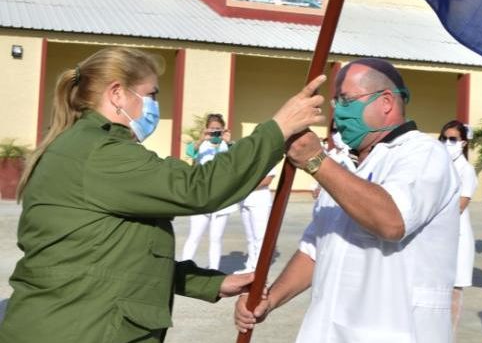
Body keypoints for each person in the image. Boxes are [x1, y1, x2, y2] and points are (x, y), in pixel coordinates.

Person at [0, 47, 325, 342]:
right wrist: (278, 128)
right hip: (81, 328)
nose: (155, 106)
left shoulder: (83, 146)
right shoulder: (100, 153)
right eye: (151, 95)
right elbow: (199, 188)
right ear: (117, 94)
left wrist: (209, 283)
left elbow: (115, 258)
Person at [234, 58, 460, 343]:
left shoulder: (423, 154)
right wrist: (271, 299)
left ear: (386, 101)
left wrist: (316, 161)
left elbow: (392, 221)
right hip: (328, 330)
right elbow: (314, 249)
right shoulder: (342, 166)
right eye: (335, 103)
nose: (338, 112)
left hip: (394, 329)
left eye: (346, 100)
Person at [180, 113, 241, 270]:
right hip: (202, 196)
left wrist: (228, 143)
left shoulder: (227, 146)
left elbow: (236, 161)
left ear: (223, 129)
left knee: (216, 238)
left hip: (221, 198)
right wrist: (202, 139)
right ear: (206, 129)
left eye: (218, 129)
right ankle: (183, 269)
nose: (214, 132)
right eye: (212, 129)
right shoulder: (201, 145)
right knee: (195, 235)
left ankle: (213, 270)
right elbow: (189, 153)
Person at [439, 120, 477, 336]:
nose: (447, 142)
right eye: (444, 138)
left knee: (454, 289)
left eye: (452, 139)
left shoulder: (466, 170)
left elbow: (460, 206)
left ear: (463, 143)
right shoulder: (441, 164)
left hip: (457, 235)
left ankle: (449, 336)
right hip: (437, 235)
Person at [238, 165, 278, 274]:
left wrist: (245, 186)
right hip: (244, 201)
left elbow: (267, 180)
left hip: (259, 201)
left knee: (260, 237)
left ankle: (258, 268)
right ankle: (250, 266)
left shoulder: (268, 158)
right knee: (250, 237)